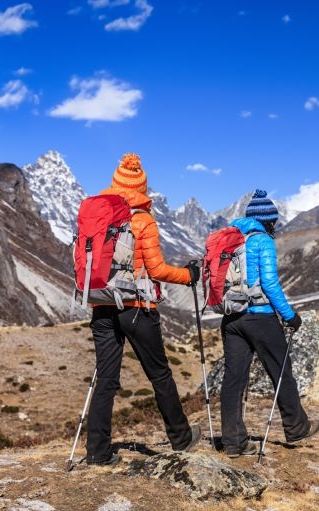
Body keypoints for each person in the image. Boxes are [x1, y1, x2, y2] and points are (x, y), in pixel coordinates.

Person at [85, 153, 202, 465]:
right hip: (136, 307)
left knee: (106, 380)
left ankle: (97, 451)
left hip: (102, 305)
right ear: (142, 188)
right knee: (160, 374)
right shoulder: (142, 220)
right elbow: (158, 270)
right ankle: (180, 437)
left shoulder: (97, 216)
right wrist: (188, 276)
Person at [220, 189, 319, 458]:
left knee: (233, 379)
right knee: (281, 371)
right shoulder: (262, 241)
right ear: (268, 220)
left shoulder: (230, 239)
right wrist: (289, 315)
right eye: (274, 221)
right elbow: (269, 283)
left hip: (231, 317)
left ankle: (233, 441)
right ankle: (296, 426)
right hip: (260, 316)